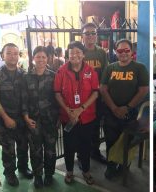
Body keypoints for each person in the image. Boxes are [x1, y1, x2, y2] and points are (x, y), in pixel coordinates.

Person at [100, 39, 149, 180]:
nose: (123, 53)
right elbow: (103, 89)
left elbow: (143, 90)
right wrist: (114, 108)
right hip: (111, 112)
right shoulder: (110, 68)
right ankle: (111, 166)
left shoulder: (139, 68)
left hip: (131, 113)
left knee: (127, 141)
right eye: (120, 50)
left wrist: (127, 108)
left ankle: (124, 165)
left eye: (126, 50)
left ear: (132, 52)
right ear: (116, 52)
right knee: (111, 141)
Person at [54, 41, 99, 185]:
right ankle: (69, 171)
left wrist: (81, 109)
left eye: (78, 52)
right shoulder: (61, 71)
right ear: (67, 54)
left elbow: (95, 93)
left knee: (85, 145)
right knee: (69, 146)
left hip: (86, 117)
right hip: (68, 118)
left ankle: (86, 171)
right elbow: (57, 93)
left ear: (83, 54)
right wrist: (69, 111)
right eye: (72, 52)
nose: (75, 55)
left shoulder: (90, 71)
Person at [0, 43, 33, 186]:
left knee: (23, 146)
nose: (12, 56)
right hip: (5, 119)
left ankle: (23, 168)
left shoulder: (23, 74)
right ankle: (10, 173)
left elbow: (27, 97)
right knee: (8, 149)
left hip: (22, 119)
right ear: (2, 55)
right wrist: (5, 118)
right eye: (9, 53)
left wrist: (26, 116)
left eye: (15, 53)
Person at [22, 46, 59, 188]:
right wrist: (25, 117)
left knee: (50, 150)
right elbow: (23, 99)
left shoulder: (53, 76)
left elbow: (58, 99)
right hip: (33, 121)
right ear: (33, 58)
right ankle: (38, 176)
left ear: (47, 58)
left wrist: (59, 119)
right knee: (35, 150)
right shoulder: (26, 77)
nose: (41, 59)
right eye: (38, 57)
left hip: (50, 121)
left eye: (43, 57)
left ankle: (49, 175)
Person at [81, 22, 108, 164]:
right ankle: (82, 155)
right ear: (82, 36)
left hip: (97, 97)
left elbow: (105, 74)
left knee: (96, 125)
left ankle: (95, 152)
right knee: (83, 127)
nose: (90, 36)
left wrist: (102, 93)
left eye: (93, 33)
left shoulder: (101, 53)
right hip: (82, 98)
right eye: (87, 33)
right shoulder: (79, 52)